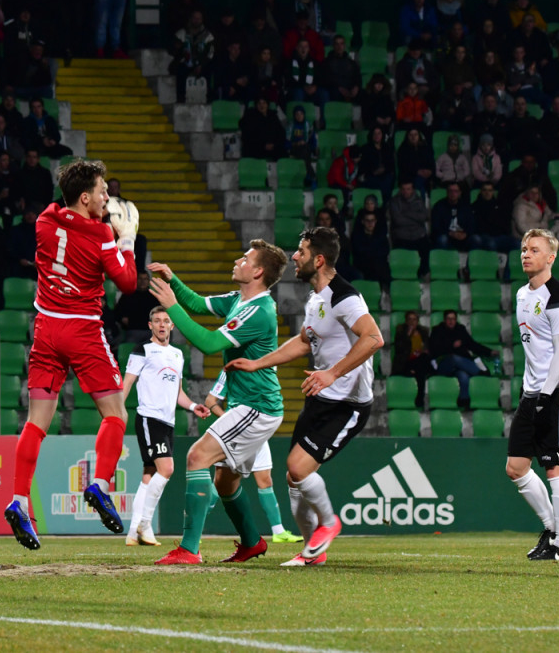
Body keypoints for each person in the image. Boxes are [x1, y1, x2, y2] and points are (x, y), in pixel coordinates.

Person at [226, 227, 383, 566]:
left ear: (319, 259)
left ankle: (329, 523)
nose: (295, 256)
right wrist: (258, 363)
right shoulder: (316, 298)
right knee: (293, 476)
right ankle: (313, 551)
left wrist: (332, 373)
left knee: (298, 466)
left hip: (348, 403)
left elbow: (373, 338)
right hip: (323, 396)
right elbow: (303, 341)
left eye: (301, 251)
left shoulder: (345, 297)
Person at [4, 159, 138, 551]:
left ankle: (18, 500)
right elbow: (128, 283)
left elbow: (56, 211)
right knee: (116, 414)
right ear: (85, 197)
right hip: (82, 330)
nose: (107, 197)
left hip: (46, 329)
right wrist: (125, 240)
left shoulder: (44, 221)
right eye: (101, 191)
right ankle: (99, 485)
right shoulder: (101, 235)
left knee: (36, 423)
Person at [144, 240, 288, 565]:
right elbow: (196, 302)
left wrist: (171, 304)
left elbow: (209, 343)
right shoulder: (239, 299)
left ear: (258, 271)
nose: (238, 260)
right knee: (225, 482)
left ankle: (189, 549)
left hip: (257, 406)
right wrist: (174, 281)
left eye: (246, 258)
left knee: (197, 456)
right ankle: (252, 542)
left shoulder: (258, 311)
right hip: (248, 404)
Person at [507, 228, 559, 561]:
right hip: (532, 393)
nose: (526, 254)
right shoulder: (522, 295)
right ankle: (553, 528)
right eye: (524, 249)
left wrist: (547, 396)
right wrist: (532, 394)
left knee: (555, 468)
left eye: (534, 250)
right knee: (516, 467)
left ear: (551, 257)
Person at [123, 306, 211, 547]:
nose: (162, 325)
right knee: (167, 468)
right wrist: (116, 410)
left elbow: (178, 393)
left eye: (166, 321)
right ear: (150, 325)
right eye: (157, 321)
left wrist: (194, 407)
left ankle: (132, 532)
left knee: (148, 475)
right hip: (149, 419)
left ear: (172, 326)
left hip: (167, 421)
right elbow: (128, 381)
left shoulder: (177, 354)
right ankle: (145, 525)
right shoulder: (143, 350)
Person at [204, 370, 302, 544]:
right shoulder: (230, 370)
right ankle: (195, 531)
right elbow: (210, 401)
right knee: (220, 482)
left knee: (265, 480)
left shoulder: (267, 368)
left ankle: (278, 532)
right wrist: (228, 419)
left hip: (257, 430)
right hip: (235, 431)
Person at [430, 310, 497, 407]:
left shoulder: (460, 329)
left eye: (453, 319)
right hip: (444, 364)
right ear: (444, 320)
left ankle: (464, 402)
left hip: (460, 367)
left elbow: (472, 345)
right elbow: (434, 349)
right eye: (449, 319)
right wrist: (451, 346)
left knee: (463, 376)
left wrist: (489, 352)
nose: (451, 321)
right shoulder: (437, 330)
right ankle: (480, 372)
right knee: (454, 358)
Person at [389, 179, 430, 277]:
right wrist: (415, 217)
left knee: (426, 247)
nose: (406, 191)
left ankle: (421, 274)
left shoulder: (419, 200)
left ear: (412, 189)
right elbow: (398, 220)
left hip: (418, 234)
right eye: (403, 189)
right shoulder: (394, 201)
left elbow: (423, 217)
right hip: (402, 235)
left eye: (408, 189)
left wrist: (406, 213)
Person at [431, 183, 479, 250]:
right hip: (447, 235)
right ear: (447, 192)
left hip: (463, 236)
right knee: (442, 239)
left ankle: (472, 260)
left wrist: (465, 234)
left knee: (476, 239)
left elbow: (472, 224)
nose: (453, 193)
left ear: (460, 193)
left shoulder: (466, 207)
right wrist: (450, 233)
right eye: (450, 191)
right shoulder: (439, 206)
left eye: (455, 191)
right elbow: (436, 227)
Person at [474, 181, 518, 254]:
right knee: (491, 244)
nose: (487, 193)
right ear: (481, 191)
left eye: (490, 190)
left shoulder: (500, 206)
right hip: (485, 236)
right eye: (485, 190)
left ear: (493, 192)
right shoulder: (475, 207)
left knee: (517, 244)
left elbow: (504, 223)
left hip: (500, 236)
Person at [116, 272, 160, 344]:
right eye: (140, 279)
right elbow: (118, 312)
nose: (142, 281)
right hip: (133, 330)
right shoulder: (127, 295)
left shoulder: (154, 297)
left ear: (149, 281)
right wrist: (122, 318)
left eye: (145, 279)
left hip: (150, 331)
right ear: (136, 280)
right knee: (128, 350)